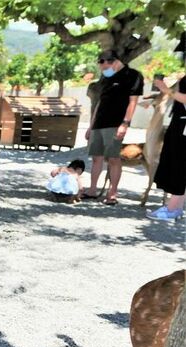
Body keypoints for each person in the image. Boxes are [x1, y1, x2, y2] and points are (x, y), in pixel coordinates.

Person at [80, 50, 144, 205]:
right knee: (96, 158)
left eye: (104, 67)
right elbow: (100, 103)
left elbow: (133, 102)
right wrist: (91, 126)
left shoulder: (133, 76)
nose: (103, 71)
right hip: (99, 123)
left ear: (114, 61)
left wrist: (125, 123)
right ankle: (92, 190)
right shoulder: (108, 78)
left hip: (115, 124)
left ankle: (112, 194)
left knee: (113, 159)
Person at [146, 74, 186, 220]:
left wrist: (166, 89)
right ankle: (176, 208)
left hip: (183, 127)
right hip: (179, 124)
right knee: (178, 166)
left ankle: (172, 208)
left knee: (179, 167)